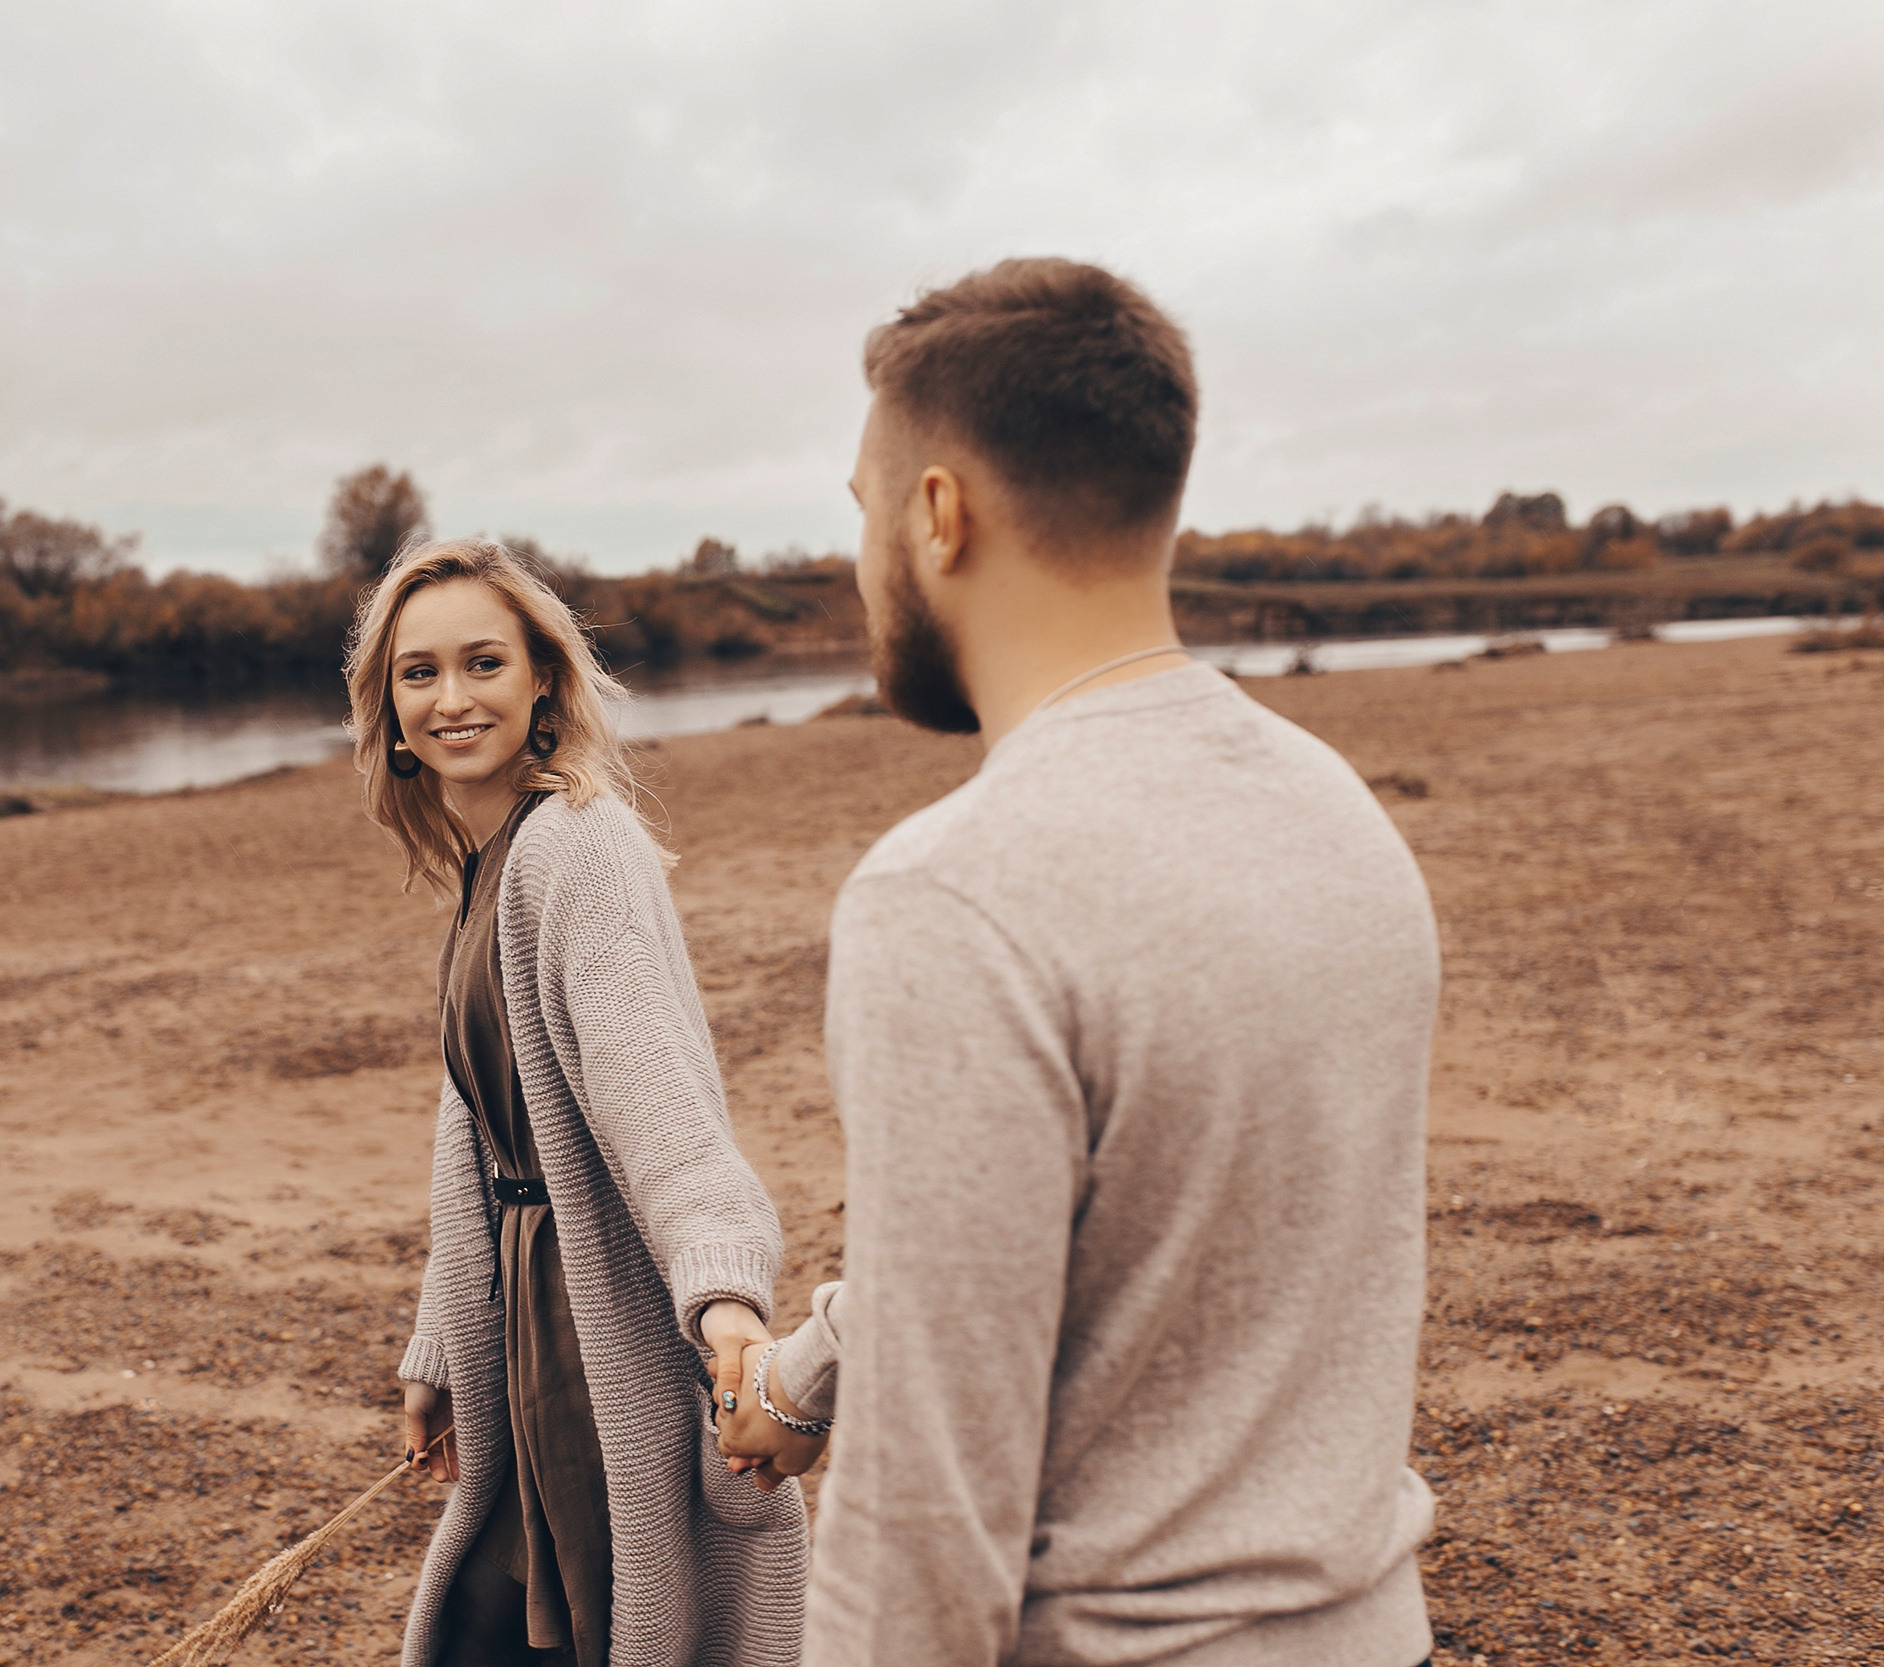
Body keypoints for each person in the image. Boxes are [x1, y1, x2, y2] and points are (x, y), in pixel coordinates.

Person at [715, 259, 1442, 1667]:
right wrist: (805, 1375)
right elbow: (1093, 1240)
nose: (862, 564)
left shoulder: (952, 892)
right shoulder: (1336, 812)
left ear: (939, 514)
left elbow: (927, 1504)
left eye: (864, 512)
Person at [349, 538, 809, 1667]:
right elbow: (479, 1130)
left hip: (589, 1312)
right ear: (387, 703)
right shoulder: (492, 858)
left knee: (605, 1615)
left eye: (482, 663)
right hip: (514, 1310)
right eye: (418, 672)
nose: (450, 698)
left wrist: (726, 1304)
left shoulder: (575, 846)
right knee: (521, 1615)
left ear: (543, 680)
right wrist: (442, 1345)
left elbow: (664, 1106)